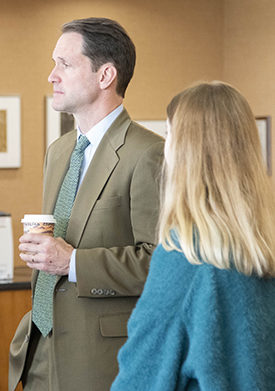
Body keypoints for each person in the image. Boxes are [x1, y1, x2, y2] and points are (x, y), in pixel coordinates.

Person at [9, 17, 165, 390]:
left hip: (99, 360)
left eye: (64, 64)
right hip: (37, 350)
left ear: (105, 75)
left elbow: (159, 262)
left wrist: (72, 261)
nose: (52, 76)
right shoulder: (59, 151)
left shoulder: (149, 154)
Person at [111, 81, 275, 390]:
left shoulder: (185, 257)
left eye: (169, 134)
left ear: (186, 151)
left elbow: (141, 376)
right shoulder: (262, 249)